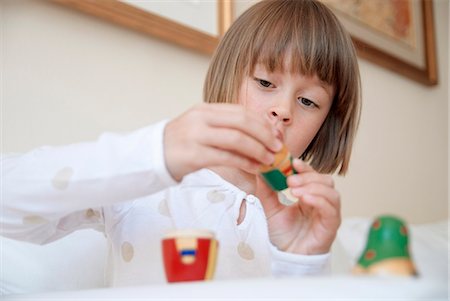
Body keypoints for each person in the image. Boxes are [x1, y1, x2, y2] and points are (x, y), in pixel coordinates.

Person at [2, 0, 361, 287]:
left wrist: (300, 264)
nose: (282, 110)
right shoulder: (144, 187)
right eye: (265, 82)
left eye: (308, 101)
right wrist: (158, 153)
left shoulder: (310, 231)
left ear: (325, 124)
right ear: (228, 75)